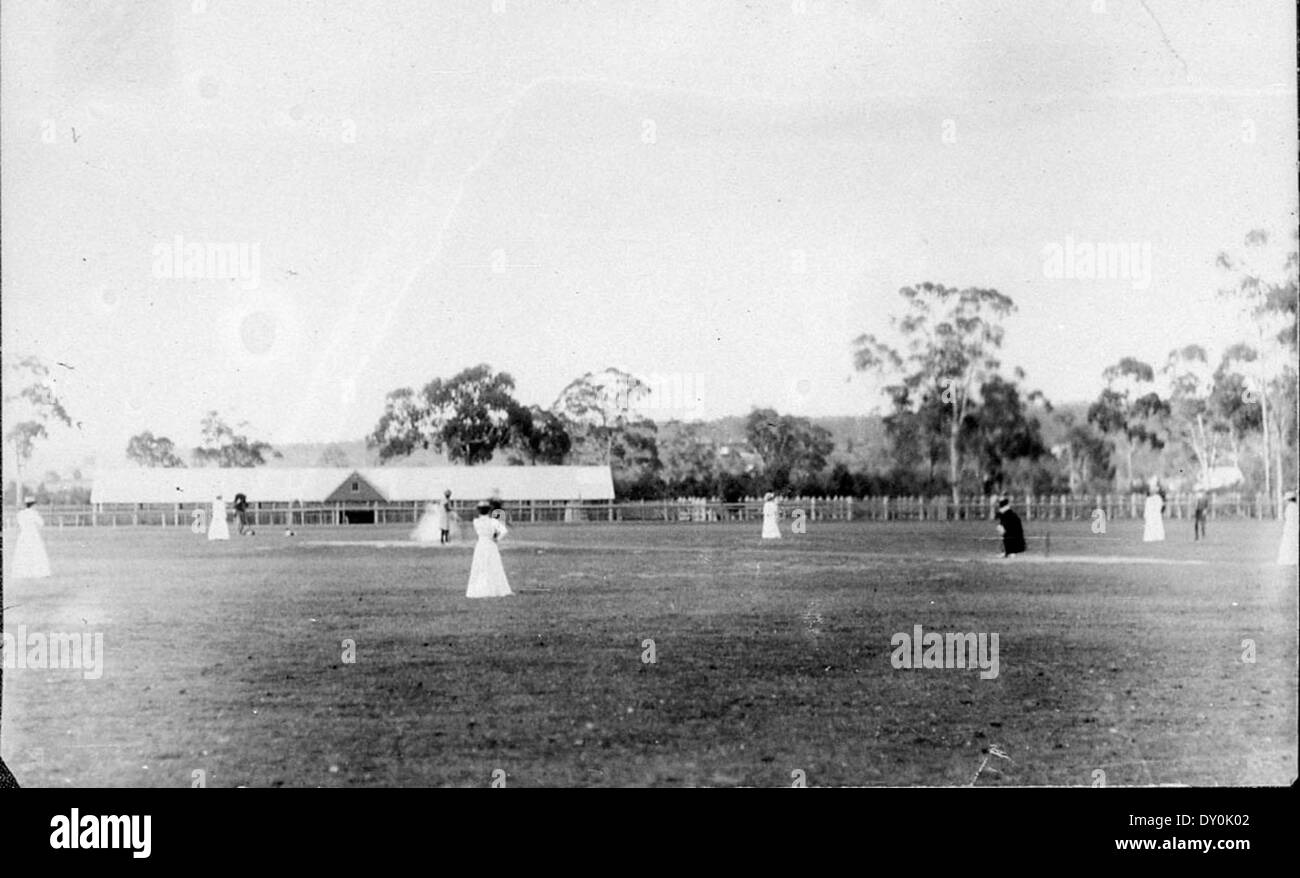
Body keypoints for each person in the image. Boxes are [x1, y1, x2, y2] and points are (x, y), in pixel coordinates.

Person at [467, 500, 512, 598]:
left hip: (481, 545)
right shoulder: (493, 521)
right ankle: (495, 588)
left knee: (480, 567)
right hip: (491, 544)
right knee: (494, 565)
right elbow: (504, 531)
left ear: (479, 510)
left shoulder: (476, 522)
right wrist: (496, 538)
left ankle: (480, 589)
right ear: (489, 510)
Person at [12, 498, 51, 578]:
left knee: (23, 553)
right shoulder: (34, 513)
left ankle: (23, 572)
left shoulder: (20, 514)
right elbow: (41, 523)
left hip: (23, 535)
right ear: (33, 505)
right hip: (33, 535)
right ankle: (38, 572)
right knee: (36, 552)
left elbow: (19, 523)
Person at [1278, 490, 1298, 566]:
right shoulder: (1295, 507)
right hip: (1294, 530)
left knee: (1288, 545)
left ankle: (1288, 560)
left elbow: (1289, 521)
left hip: (1290, 530)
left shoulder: (1290, 507)